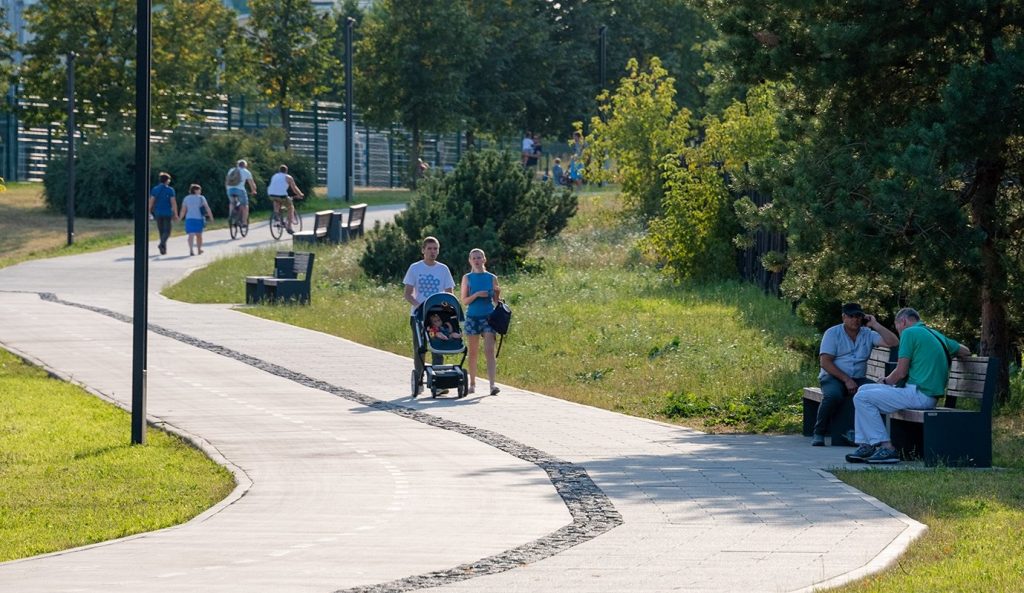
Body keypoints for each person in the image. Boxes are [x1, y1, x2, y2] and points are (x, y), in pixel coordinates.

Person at [846, 307, 971, 464]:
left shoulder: (909, 333)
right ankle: (867, 444)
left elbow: (901, 372)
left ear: (903, 322)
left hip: (919, 395)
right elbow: (966, 351)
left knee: (863, 397)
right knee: (864, 389)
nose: (898, 331)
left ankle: (887, 448)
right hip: (925, 394)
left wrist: (885, 381)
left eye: (897, 327)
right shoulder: (934, 334)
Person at [812, 303, 899, 446]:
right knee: (833, 395)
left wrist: (875, 324)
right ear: (844, 317)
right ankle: (819, 432)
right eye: (851, 316)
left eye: (858, 316)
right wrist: (846, 380)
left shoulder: (868, 333)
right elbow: (825, 362)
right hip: (833, 377)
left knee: (880, 393)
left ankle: (875, 436)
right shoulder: (833, 333)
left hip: (858, 378)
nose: (855, 320)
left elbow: (894, 342)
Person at [404, 236, 456, 396]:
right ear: (423, 250)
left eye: (435, 249)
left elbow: (449, 293)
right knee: (420, 348)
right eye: (430, 249)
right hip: (419, 314)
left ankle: (438, 382)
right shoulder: (415, 268)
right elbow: (408, 293)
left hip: (437, 316)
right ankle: (419, 380)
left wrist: (445, 310)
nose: (433, 252)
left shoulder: (443, 269)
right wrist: (419, 305)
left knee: (438, 346)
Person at [460, 248, 501, 396]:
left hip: (488, 317)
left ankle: (492, 385)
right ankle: (472, 384)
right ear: (470, 261)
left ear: (484, 260)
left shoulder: (491, 277)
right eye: (474, 258)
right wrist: (476, 294)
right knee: (473, 351)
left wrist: (497, 294)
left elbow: (496, 302)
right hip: (472, 317)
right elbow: (464, 301)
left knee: (489, 350)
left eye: (479, 258)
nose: (477, 260)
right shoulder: (467, 277)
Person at [266, 165, 304, 234]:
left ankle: (277, 217)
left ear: (279, 170)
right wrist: (300, 194)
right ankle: (289, 227)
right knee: (290, 207)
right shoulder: (288, 177)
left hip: (271, 194)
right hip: (282, 195)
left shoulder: (275, 176)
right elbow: (294, 188)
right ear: (286, 171)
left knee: (276, 201)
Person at [178, 183, 213, 256]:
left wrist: (180, 218)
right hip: (199, 218)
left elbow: (183, 210)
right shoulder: (201, 198)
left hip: (189, 218)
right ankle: (199, 249)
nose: (200, 191)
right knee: (199, 235)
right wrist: (211, 217)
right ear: (196, 190)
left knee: (191, 235)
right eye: (199, 190)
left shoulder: (186, 198)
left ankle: (191, 250)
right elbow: (207, 208)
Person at [148, 172, 178, 255]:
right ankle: (161, 245)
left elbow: (151, 201)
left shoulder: (155, 189)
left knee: (161, 231)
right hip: (167, 212)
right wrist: (175, 213)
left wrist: (149, 211)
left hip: (158, 212)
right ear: (167, 180)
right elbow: (173, 203)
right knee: (167, 231)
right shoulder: (170, 190)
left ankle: (163, 250)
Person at [225, 159, 257, 228]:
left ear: (237, 165)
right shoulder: (246, 172)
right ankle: (244, 222)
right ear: (245, 166)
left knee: (232, 202)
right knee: (245, 205)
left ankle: (231, 217)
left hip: (229, 189)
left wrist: (227, 189)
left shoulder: (231, 170)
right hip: (240, 190)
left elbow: (226, 180)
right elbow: (252, 184)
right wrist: (253, 191)